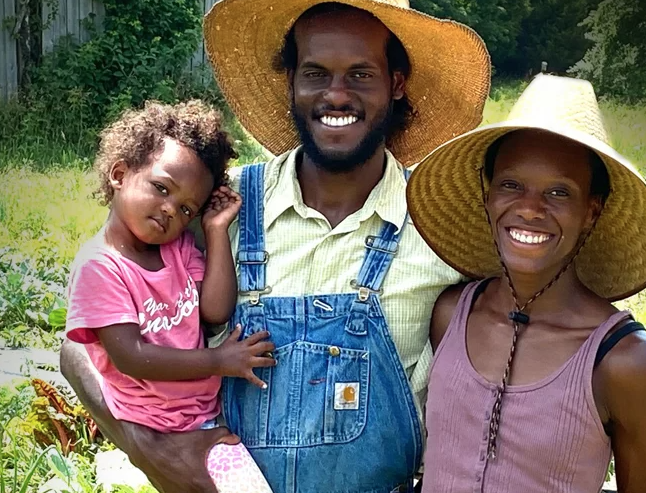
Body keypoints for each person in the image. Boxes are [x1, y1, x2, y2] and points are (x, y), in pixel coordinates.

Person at [60, 0, 492, 491]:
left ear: (395, 84)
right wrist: (144, 446)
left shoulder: (441, 227)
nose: (336, 94)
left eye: (360, 75)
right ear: (290, 81)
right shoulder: (215, 207)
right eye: (315, 72)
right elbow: (81, 345)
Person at [406, 74, 646, 492]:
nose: (530, 209)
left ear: (592, 211)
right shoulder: (451, 314)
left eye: (559, 193)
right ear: (487, 195)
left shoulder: (623, 362)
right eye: (512, 185)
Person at [63, 100, 274, 493]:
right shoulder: (101, 267)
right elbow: (130, 357)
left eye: (185, 209)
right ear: (120, 174)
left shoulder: (175, 251)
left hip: (201, 416)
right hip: (158, 427)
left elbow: (214, 310)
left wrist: (214, 231)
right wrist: (218, 360)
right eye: (161, 188)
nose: (168, 211)